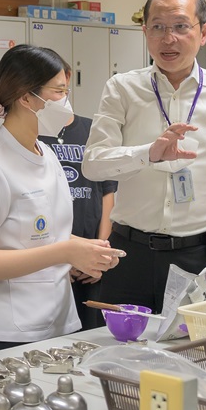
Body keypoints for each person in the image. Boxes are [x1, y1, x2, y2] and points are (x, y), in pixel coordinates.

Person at [82, 0, 206, 313]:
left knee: (189, 341)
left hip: (194, 255)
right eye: (158, 27)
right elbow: (93, 164)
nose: (168, 39)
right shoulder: (122, 89)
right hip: (129, 253)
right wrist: (148, 154)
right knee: (119, 344)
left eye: (181, 26)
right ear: (145, 32)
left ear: (203, 33)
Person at [0, 45, 123, 355]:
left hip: (55, 321)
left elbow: (42, 235)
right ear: (26, 97)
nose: (66, 101)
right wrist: (66, 251)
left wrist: (88, 251)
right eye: (58, 92)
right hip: (3, 331)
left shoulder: (45, 154)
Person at [38, 111, 118, 329]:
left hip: (92, 259)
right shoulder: (36, 133)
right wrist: (65, 255)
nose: (61, 96)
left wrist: (99, 253)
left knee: (90, 328)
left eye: (63, 92)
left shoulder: (92, 130)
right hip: (50, 256)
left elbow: (108, 194)